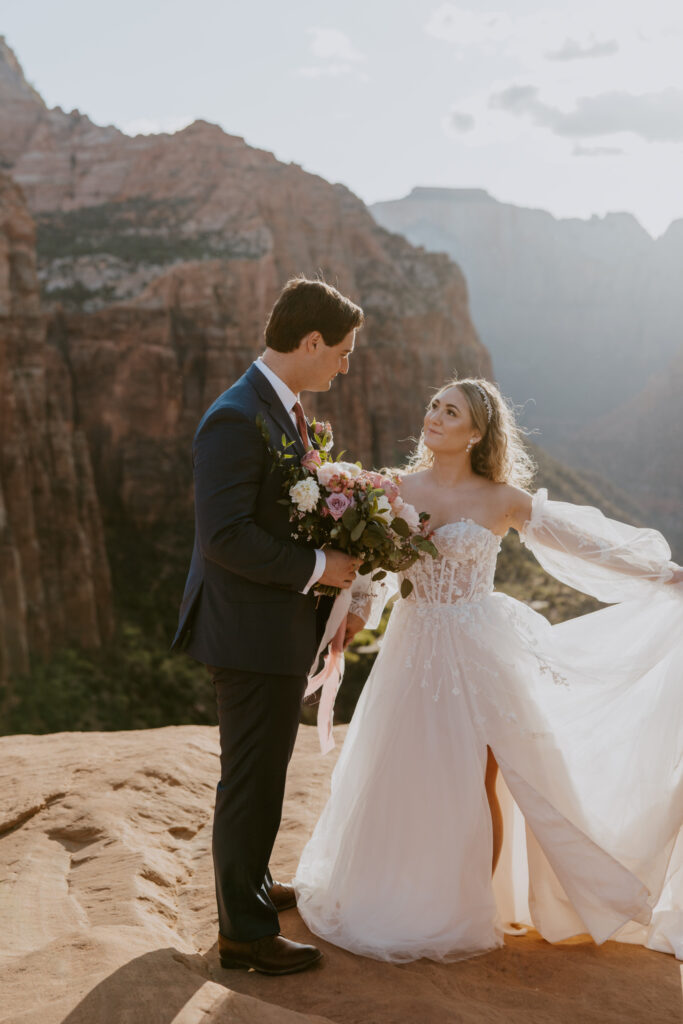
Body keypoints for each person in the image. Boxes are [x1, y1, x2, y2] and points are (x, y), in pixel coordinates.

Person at [293, 377, 683, 964]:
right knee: (402, 772)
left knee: (481, 782)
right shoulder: (394, 488)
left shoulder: (501, 498)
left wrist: (659, 572)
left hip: (481, 652)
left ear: (476, 433)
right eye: (433, 405)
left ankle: (471, 905)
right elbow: (370, 566)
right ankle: (397, 895)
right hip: (413, 646)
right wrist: (358, 616)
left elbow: (581, 541)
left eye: (451, 412)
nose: (435, 416)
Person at [172, 276, 364, 975]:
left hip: (273, 627)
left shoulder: (279, 408)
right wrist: (322, 566)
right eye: (341, 352)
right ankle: (244, 935)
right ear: (310, 342)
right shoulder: (236, 415)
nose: (345, 365)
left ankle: (250, 885)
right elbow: (223, 537)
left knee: (263, 773)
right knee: (250, 779)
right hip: (248, 631)